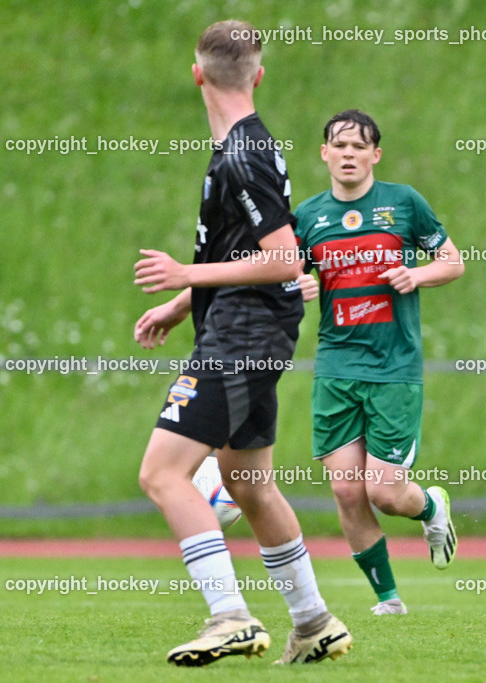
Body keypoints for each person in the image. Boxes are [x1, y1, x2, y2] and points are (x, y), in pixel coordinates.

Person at [133, 20, 351, 666]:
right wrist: (182, 304)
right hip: (252, 329)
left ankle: (229, 616)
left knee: (162, 473)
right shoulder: (246, 146)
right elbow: (245, 249)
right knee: (248, 483)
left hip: (241, 336)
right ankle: (314, 622)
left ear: (196, 73)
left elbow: (284, 259)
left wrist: (185, 275)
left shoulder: (242, 154)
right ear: (258, 76)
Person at [294, 109, 463, 615]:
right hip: (336, 366)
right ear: (324, 153)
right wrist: (295, 287)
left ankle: (431, 506)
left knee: (386, 494)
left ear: (375, 155)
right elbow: (286, 276)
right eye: (339, 145)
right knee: (347, 490)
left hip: (393, 367)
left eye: (359, 146)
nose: (348, 154)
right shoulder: (307, 216)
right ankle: (389, 599)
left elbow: (452, 261)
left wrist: (417, 275)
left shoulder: (403, 202)